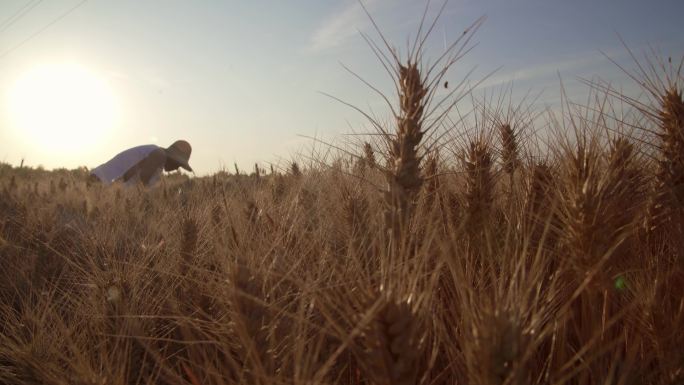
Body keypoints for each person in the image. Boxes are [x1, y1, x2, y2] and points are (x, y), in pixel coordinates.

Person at [89, 140, 193, 187]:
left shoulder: (157, 157)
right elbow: (141, 183)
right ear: (174, 159)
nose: (177, 169)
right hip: (100, 184)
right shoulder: (159, 155)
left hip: (98, 181)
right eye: (178, 164)